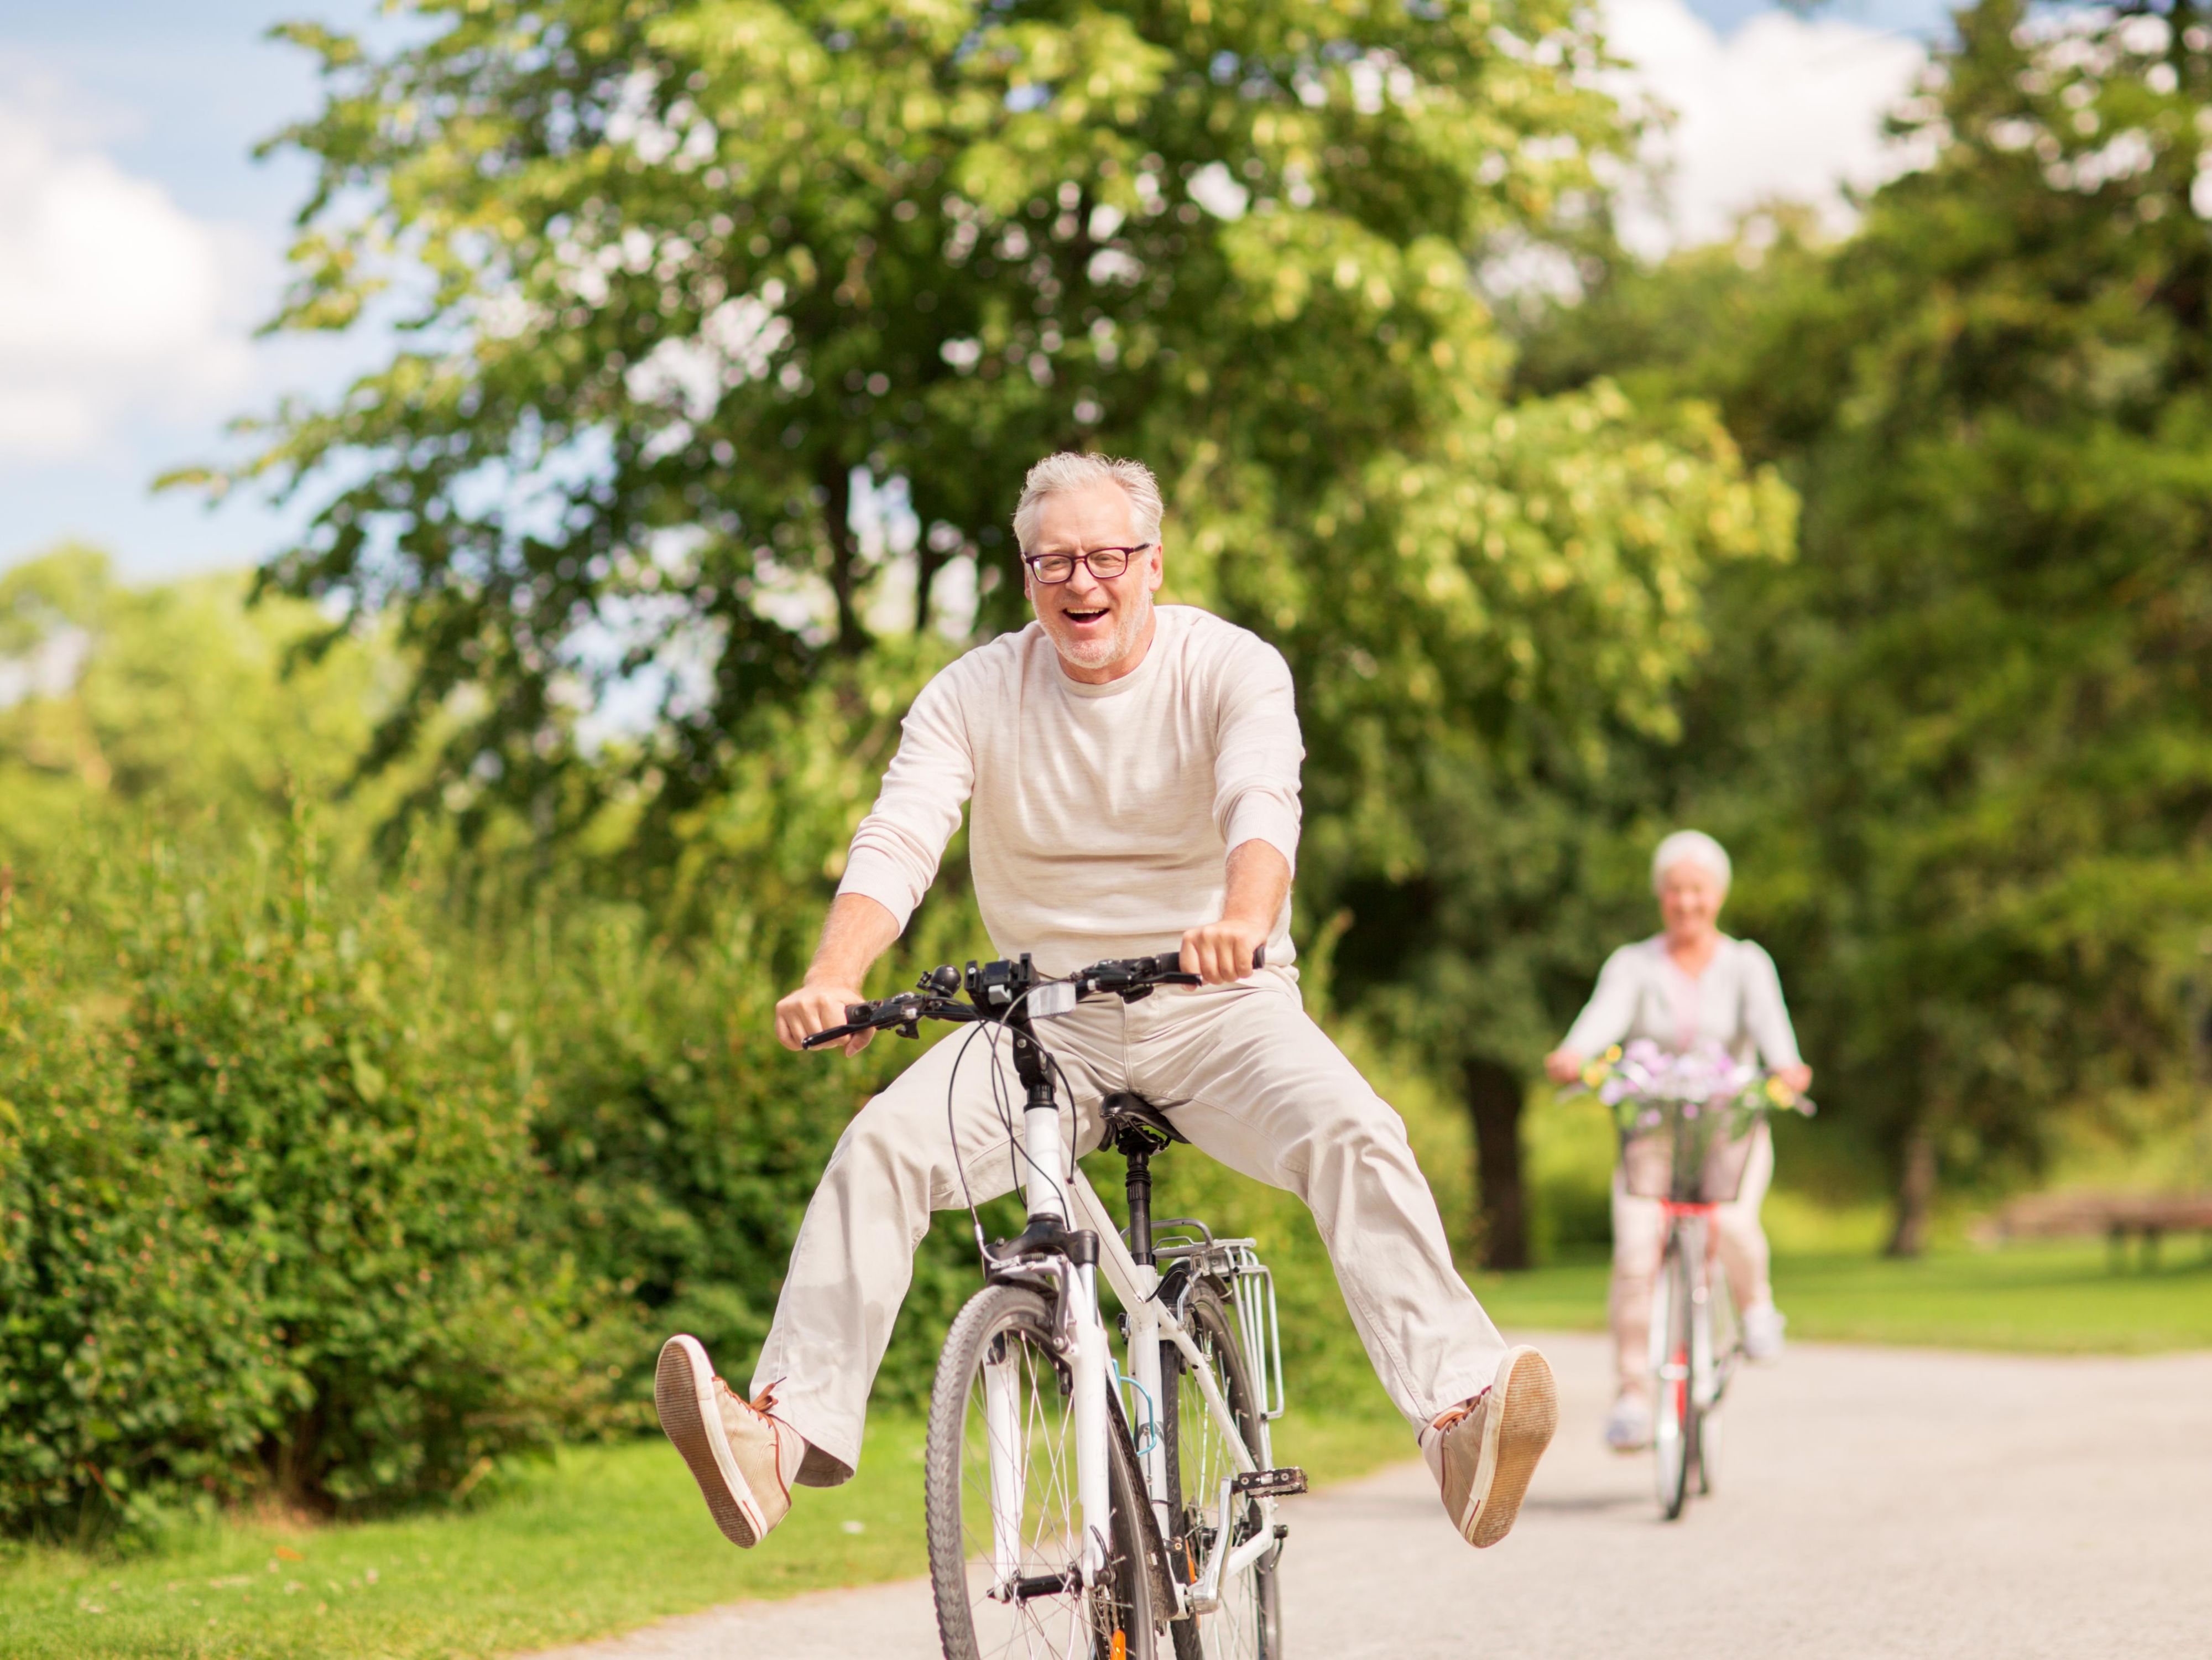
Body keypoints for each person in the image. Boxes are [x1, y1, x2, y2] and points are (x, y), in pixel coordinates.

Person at [654, 451, 1558, 1555]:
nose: (1080, 583)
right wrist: (833, 974)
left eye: (1103, 557)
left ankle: (1458, 1419)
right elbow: (899, 836)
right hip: (1042, 1024)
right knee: (880, 1145)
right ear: (1025, 576)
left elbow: (1260, 802)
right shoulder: (973, 691)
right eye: (1052, 563)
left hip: (1218, 1005)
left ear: (1151, 563)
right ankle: (778, 1439)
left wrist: (1239, 916)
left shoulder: (1228, 666)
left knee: (1353, 1129)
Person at [1542, 830, 1812, 1454]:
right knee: (1636, 1251)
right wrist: (1573, 1054)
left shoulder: (1747, 964)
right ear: (1660, 897)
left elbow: (1777, 1038)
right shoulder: (1634, 964)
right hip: (1653, 1132)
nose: (1685, 903)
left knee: (1733, 1222)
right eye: (1674, 891)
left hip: (1729, 1129)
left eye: (1697, 890)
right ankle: (1633, 1396)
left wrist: (1787, 1068)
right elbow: (1599, 1020)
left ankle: (1756, 1310)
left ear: (1716, 896)